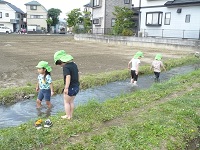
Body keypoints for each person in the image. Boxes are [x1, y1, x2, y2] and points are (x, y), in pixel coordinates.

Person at [54, 50, 79, 120]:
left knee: (66, 102)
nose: (59, 65)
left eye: (58, 63)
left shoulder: (66, 67)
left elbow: (68, 77)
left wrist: (66, 88)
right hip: (76, 86)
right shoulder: (74, 64)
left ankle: (67, 116)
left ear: (61, 61)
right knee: (71, 102)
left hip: (70, 87)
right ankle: (70, 115)